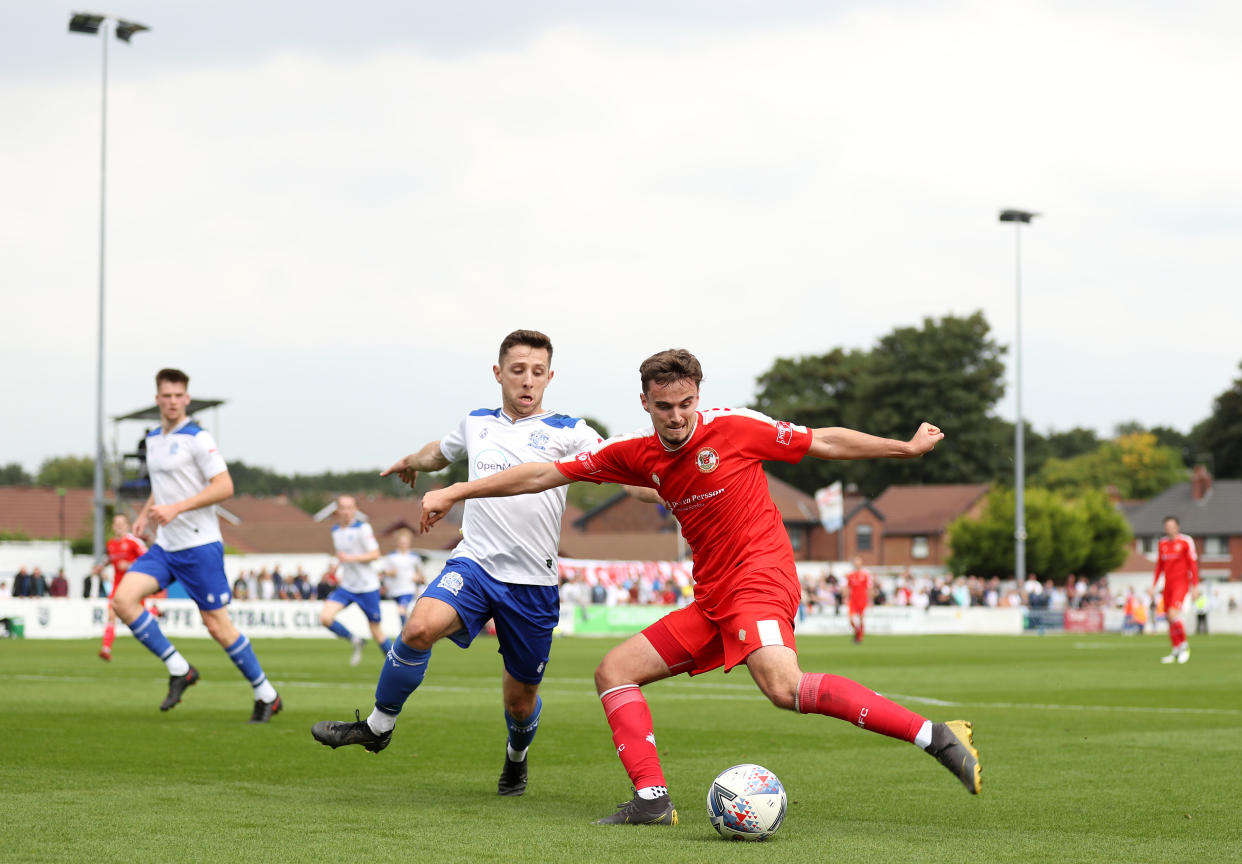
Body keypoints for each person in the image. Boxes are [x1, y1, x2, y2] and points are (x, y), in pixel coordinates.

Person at [417, 348, 981, 825]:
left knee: (783, 687)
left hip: (760, 577)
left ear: (699, 396)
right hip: (713, 598)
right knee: (614, 672)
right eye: (664, 407)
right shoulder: (635, 454)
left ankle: (937, 735)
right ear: (645, 404)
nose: (677, 417)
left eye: (686, 404)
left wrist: (902, 449)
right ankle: (652, 800)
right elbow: (542, 474)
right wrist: (454, 491)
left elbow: (823, 442)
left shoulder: (735, 428)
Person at [311, 329, 603, 798]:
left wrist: (666, 486)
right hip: (475, 563)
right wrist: (412, 460)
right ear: (498, 374)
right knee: (417, 628)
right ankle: (378, 726)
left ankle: (516, 758)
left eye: (537, 372)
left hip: (531, 582)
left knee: (520, 700)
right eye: (517, 371)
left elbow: (624, 467)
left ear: (550, 377)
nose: (527, 381)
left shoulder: (572, 431)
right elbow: (440, 452)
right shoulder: (476, 422)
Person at [113, 368, 282, 722]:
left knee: (217, 626)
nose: (172, 401)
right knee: (123, 601)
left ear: (186, 399)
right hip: (165, 547)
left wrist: (176, 508)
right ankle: (180, 669)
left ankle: (266, 694)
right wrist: (146, 514)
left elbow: (224, 486)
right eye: (166, 395)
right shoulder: (154, 440)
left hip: (199, 547)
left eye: (178, 395)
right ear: (157, 399)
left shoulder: (198, 438)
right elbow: (163, 485)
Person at [320, 495, 392, 666]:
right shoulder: (335, 531)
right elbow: (342, 556)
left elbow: (375, 554)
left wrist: (350, 559)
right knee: (325, 618)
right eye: (343, 508)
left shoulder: (363, 528)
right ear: (337, 511)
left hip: (367, 587)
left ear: (356, 509)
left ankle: (396, 664)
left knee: (376, 631)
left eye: (350, 507)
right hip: (347, 586)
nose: (346, 511)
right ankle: (355, 640)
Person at [95, 513, 150, 660]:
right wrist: (100, 567)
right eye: (116, 524)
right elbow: (110, 558)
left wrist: (130, 565)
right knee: (111, 615)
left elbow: (150, 560)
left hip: (134, 586)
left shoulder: (134, 542)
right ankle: (106, 648)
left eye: (122, 524)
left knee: (134, 617)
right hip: (117, 586)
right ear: (113, 526)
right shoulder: (111, 544)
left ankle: (155, 611)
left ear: (127, 525)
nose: (119, 527)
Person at [1152, 515, 1198, 664]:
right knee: (1168, 618)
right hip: (1168, 585)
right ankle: (1176, 649)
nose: (1169, 529)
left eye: (1172, 526)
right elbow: (1159, 566)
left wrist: (1195, 586)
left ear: (1177, 527)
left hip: (1181, 584)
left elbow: (1193, 565)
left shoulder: (1186, 541)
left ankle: (1184, 647)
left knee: (1173, 614)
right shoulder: (1162, 543)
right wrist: (1154, 585)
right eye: (1167, 526)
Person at [381, 529, 426, 627]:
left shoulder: (414, 557)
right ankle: (410, 632)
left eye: (405, 543)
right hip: (395, 590)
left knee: (401, 610)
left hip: (408, 589)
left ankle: (405, 635)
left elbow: (421, 575)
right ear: (397, 542)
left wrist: (418, 577)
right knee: (405, 613)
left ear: (409, 543)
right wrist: (390, 573)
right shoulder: (391, 556)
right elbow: (384, 572)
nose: (403, 545)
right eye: (401, 542)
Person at [845, 556, 872, 644]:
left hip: (862, 599)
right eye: (855, 563)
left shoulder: (865, 575)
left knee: (861, 619)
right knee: (851, 619)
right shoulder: (850, 575)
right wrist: (845, 598)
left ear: (861, 564)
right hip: (853, 600)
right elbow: (848, 587)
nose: (857, 564)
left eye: (858, 563)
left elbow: (869, 588)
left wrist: (870, 600)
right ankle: (858, 633)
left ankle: (860, 637)